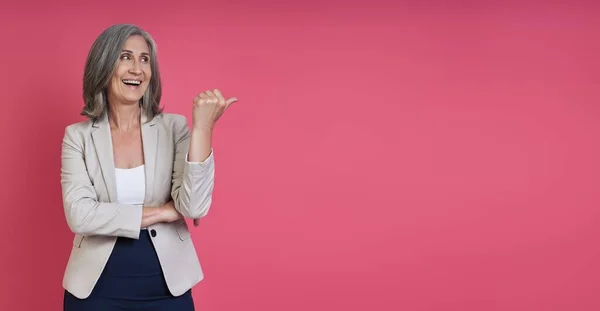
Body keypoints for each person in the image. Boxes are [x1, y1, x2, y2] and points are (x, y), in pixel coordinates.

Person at [60, 23, 238, 310]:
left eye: (145, 59)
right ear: (104, 66)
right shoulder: (77, 137)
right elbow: (80, 216)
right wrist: (162, 212)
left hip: (167, 288)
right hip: (95, 290)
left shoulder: (174, 127)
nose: (137, 69)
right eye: (125, 57)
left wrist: (203, 129)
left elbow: (194, 207)